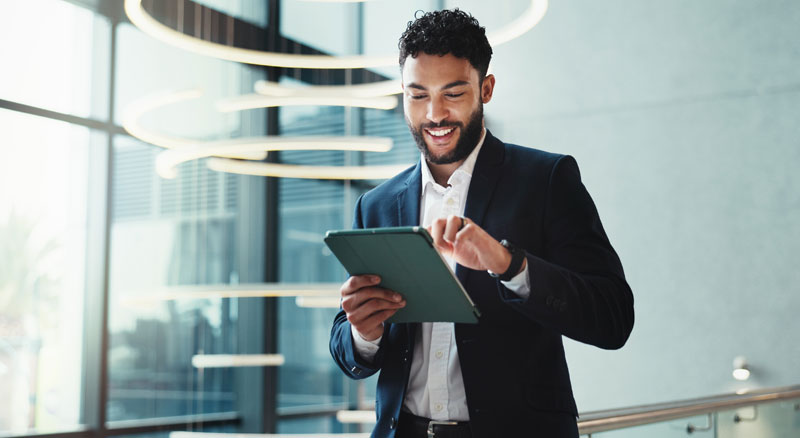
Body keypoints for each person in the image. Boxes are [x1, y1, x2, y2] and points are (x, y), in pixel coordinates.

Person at [329, 9, 634, 438]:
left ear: (486, 89)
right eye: (418, 95)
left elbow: (613, 318)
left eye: (453, 93)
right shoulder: (375, 204)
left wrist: (510, 265)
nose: (434, 114)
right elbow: (348, 348)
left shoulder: (546, 180)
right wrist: (364, 333)